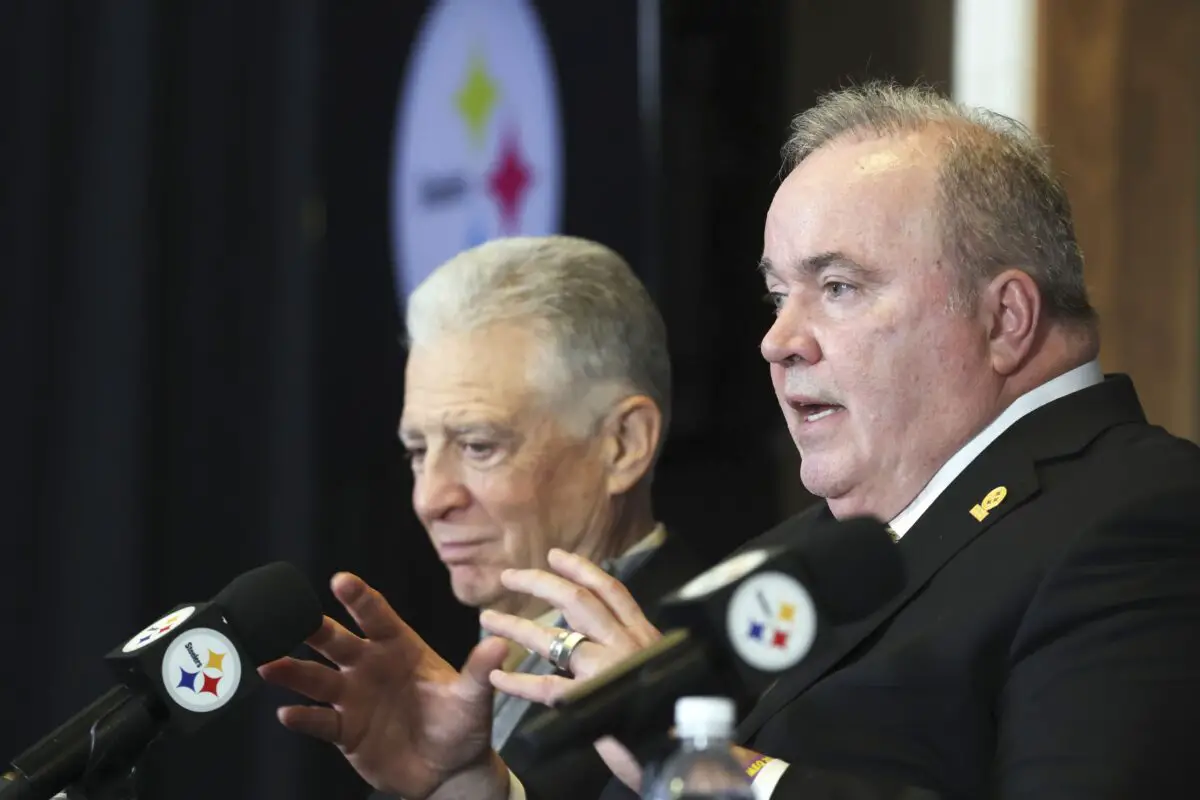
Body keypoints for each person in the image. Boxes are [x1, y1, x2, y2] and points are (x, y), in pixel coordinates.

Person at [261, 82, 1200, 799]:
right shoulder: (798, 558)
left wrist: (692, 760)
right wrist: (469, 784)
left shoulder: (1144, 518)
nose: (779, 339)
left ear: (1005, 319)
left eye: (838, 286)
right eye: (776, 292)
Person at [371, 235, 704, 799]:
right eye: (418, 453)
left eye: (478, 445)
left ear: (623, 444)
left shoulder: (709, 677)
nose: (430, 499)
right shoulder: (448, 699)